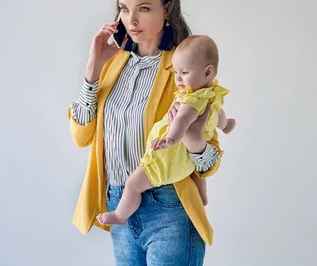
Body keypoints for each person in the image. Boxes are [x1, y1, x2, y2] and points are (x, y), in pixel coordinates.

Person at [67, 0, 224, 266]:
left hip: (169, 207)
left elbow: (208, 162)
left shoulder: (185, 69)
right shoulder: (113, 65)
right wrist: (92, 70)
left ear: (166, 8)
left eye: (143, 8)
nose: (131, 20)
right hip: (118, 202)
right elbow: (81, 134)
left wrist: (195, 139)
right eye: (124, 9)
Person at [97, 35, 236, 226]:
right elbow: (219, 116)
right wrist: (227, 125)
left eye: (184, 72)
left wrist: (171, 138)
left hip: (168, 160)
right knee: (194, 171)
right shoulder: (213, 96)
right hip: (186, 163)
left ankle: (120, 216)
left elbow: (181, 120)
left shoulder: (191, 100)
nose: (178, 78)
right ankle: (202, 197)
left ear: (208, 72)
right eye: (176, 72)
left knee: (133, 185)